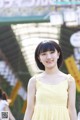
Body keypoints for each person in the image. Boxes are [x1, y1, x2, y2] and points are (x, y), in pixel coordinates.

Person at [23, 40, 77, 120]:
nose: (48, 57)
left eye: (52, 52)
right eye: (44, 54)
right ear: (39, 58)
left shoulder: (69, 81)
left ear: (58, 54)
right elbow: (29, 109)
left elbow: (71, 109)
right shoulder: (34, 81)